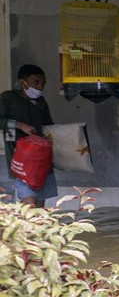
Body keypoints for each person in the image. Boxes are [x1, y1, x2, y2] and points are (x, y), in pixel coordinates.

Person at [0, 64, 57, 207]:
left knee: (40, 208)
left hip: (42, 159)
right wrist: (19, 125)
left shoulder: (41, 102)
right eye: (36, 82)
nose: (40, 87)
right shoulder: (8, 98)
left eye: (43, 83)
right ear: (22, 82)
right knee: (29, 204)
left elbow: (49, 126)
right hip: (21, 160)